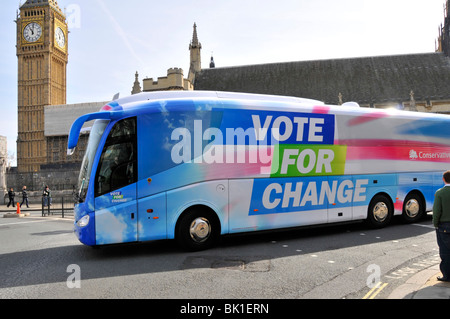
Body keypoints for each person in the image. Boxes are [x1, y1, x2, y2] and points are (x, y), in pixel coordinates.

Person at [432, 170, 450, 282]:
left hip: (444, 226)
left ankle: (447, 275)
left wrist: (435, 224)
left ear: (443, 179)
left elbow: (437, 211)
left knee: (445, 251)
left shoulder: (440, 193)